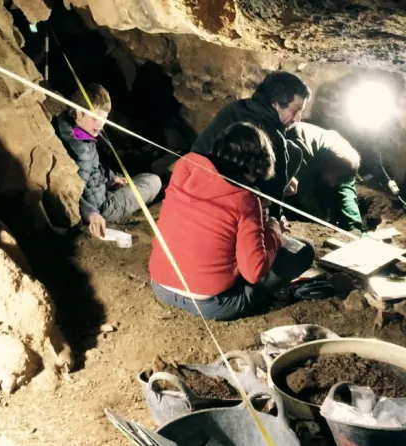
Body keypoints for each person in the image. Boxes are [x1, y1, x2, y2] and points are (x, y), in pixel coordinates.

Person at [149, 122, 315, 320]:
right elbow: (254, 271)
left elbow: (209, 216)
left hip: (161, 284)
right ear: (260, 163)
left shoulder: (186, 169)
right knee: (304, 250)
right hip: (212, 304)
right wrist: (274, 232)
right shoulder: (245, 199)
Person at [53, 83, 162, 238]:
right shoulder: (78, 149)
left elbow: (94, 168)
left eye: (104, 119)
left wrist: (110, 179)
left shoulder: (72, 130)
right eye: (95, 118)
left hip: (102, 189)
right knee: (154, 181)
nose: (100, 124)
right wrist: (92, 214)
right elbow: (73, 194)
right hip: (104, 207)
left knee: (140, 168)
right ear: (79, 112)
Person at [191, 71, 311, 203]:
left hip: (189, 175)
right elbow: (274, 192)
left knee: (292, 150)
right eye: (296, 110)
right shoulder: (271, 136)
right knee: (294, 153)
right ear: (276, 103)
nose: (298, 119)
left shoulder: (238, 107)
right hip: (217, 196)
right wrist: (275, 217)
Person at [288, 122, 363, 232]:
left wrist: (354, 226)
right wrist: (323, 224)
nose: (334, 184)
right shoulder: (301, 152)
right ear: (326, 168)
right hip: (293, 155)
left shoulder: (347, 159)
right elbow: (305, 194)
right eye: (335, 179)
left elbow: (347, 190)